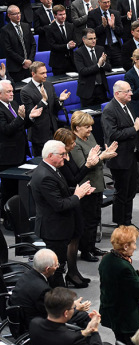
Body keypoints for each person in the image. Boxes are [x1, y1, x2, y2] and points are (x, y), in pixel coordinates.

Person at [30, 140, 95, 287]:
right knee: (56, 268)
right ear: (50, 155)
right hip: (54, 229)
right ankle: (58, 300)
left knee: (60, 264)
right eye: (63, 154)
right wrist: (77, 195)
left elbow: (61, 193)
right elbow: (59, 205)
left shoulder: (51, 169)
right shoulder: (46, 176)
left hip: (59, 226)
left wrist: (80, 192)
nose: (66, 157)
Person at [101, 81, 139, 234]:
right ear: (117, 93)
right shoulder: (109, 111)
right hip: (119, 158)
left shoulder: (127, 105)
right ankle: (121, 225)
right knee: (121, 192)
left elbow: (130, 126)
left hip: (131, 155)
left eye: (130, 90)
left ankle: (128, 222)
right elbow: (113, 135)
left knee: (131, 190)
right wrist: (135, 128)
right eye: (127, 91)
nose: (131, 93)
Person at [54, 128, 101, 285]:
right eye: (71, 143)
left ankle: (74, 272)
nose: (74, 145)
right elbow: (74, 178)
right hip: (69, 198)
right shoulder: (60, 161)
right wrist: (88, 165)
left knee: (77, 236)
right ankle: (71, 274)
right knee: (72, 238)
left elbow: (77, 175)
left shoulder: (68, 155)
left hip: (76, 196)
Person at [9, 249, 91, 336]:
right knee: (84, 316)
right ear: (47, 269)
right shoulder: (42, 289)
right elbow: (54, 314)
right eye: (56, 265)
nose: (58, 267)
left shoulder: (26, 275)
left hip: (24, 318)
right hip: (36, 326)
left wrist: (72, 304)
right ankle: (85, 344)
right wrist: (75, 309)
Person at [71, 111, 118, 263]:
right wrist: (102, 157)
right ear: (77, 128)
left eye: (91, 126)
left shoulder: (89, 136)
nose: (90, 129)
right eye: (86, 127)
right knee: (88, 220)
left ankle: (91, 246)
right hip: (86, 187)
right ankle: (85, 250)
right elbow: (83, 165)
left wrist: (105, 153)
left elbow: (95, 156)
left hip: (98, 183)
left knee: (96, 217)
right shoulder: (74, 143)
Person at [99, 225, 139, 345]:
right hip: (126, 319)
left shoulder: (107, 258)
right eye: (134, 244)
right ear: (125, 246)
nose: (135, 247)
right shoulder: (123, 266)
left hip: (114, 314)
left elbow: (123, 282)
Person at [0, 80, 37, 226]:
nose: (11, 94)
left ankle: (18, 216)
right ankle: (7, 219)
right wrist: (21, 118)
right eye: (8, 92)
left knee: (18, 188)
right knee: (9, 189)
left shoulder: (13, 104)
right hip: (7, 156)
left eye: (11, 91)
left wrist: (30, 118)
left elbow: (21, 125)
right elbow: (7, 130)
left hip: (20, 152)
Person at [29, 288, 104, 345]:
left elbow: (57, 338)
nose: (75, 309)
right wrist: (95, 331)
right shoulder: (73, 339)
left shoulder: (34, 323)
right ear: (66, 313)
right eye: (73, 308)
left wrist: (86, 331)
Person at [20, 62, 72, 157]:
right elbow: (30, 113)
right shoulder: (25, 91)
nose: (45, 75)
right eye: (42, 73)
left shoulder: (49, 85)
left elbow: (55, 107)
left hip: (53, 130)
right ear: (33, 74)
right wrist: (43, 101)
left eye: (46, 72)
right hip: (39, 133)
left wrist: (60, 100)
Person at [75, 28, 112, 107]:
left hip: (101, 89)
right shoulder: (78, 53)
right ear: (83, 40)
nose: (93, 41)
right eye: (90, 39)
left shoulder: (100, 49)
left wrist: (103, 64)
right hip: (87, 91)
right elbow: (82, 71)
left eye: (95, 38)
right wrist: (98, 65)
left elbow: (109, 68)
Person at [0, 6, 37, 81]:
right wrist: (23, 61)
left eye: (19, 13)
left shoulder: (26, 26)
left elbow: (33, 44)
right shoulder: (5, 30)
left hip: (29, 67)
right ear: (9, 16)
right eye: (15, 14)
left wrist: (30, 60)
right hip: (16, 68)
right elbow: (8, 50)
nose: (18, 16)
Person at [87, 0, 124, 68]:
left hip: (116, 48)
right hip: (102, 48)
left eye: (108, 2)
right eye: (104, 2)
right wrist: (103, 26)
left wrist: (113, 27)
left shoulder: (115, 13)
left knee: (120, 69)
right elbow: (91, 33)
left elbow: (121, 32)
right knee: (105, 70)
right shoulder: (92, 14)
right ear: (99, 2)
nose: (107, 4)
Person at [46, 5, 78, 76]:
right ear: (55, 15)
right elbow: (52, 46)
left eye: (64, 14)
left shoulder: (70, 26)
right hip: (58, 63)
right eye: (60, 15)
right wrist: (67, 46)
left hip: (71, 61)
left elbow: (75, 40)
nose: (63, 16)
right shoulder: (49, 29)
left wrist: (74, 43)